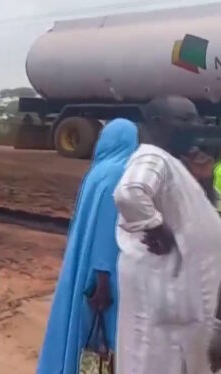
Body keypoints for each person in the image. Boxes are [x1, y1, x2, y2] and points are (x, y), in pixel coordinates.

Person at [114, 96, 221, 374]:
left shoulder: (173, 163)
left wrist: (205, 178)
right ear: (157, 124)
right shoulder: (153, 156)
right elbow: (130, 192)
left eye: (197, 118)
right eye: (185, 119)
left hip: (179, 302)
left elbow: (197, 213)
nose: (196, 125)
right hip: (164, 299)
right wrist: (153, 227)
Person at [36, 118, 138, 374]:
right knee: (101, 338)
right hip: (104, 276)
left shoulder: (98, 171)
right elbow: (106, 231)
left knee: (80, 331)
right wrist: (103, 281)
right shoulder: (120, 174)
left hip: (87, 266)